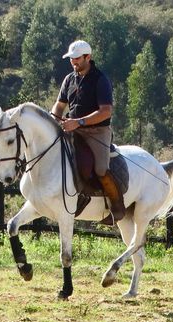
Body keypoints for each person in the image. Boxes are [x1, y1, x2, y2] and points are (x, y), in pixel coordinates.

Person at [51, 40, 125, 225]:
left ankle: (117, 207)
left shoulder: (100, 80)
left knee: (100, 169)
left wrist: (79, 122)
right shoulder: (69, 79)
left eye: (77, 59)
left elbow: (106, 111)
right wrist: (53, 121)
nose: (73, 62)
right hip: (71, 127)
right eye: (71, 59)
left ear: (88, 57)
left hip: (97, 132)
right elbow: (59, 106)